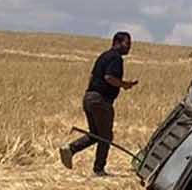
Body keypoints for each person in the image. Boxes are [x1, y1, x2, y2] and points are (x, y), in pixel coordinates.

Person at [58, 32, 138, 176]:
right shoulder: (116, 58)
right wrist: (124, 85)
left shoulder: (103, 56)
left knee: (96, 135)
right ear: (117, 42)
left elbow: (92, 76)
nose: (129, 47)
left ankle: (70, 149)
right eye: (127, 43)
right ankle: (99, 169)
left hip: (89, 98)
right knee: (106, 136)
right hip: (101, 101)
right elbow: (109, 77)